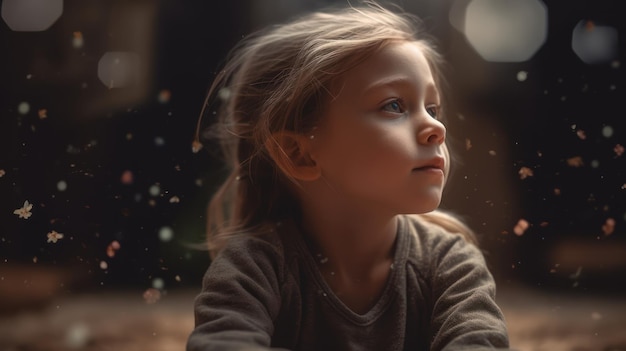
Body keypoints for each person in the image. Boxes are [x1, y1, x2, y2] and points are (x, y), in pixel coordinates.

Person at [187, 2, 510, 350]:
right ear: (299, 154)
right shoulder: (252, 264)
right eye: (394, 106)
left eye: (432, 109)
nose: (436, 128)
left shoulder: (450, 261)